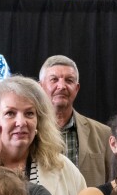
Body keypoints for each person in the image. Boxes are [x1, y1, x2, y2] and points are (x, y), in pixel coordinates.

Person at [39, 55, 112, 188]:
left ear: (77, 88)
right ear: (41, 86)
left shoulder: (103, 134)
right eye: (54, 79)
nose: (61, 86)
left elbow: (112, 184)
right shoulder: (30, 132)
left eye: (69, 80)